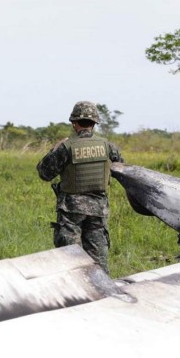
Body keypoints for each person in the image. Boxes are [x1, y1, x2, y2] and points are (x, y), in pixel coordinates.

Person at [36, 101, 123, 274]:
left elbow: (44, 173)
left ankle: (76, 295)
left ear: (74, 123)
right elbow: (121, 170)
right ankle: (103, 295)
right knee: (98, 262)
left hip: (71, 211)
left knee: (71, 261)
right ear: (94, 123)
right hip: (98, 211)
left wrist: (54, 149)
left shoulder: (66, 147)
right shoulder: (108, 146)